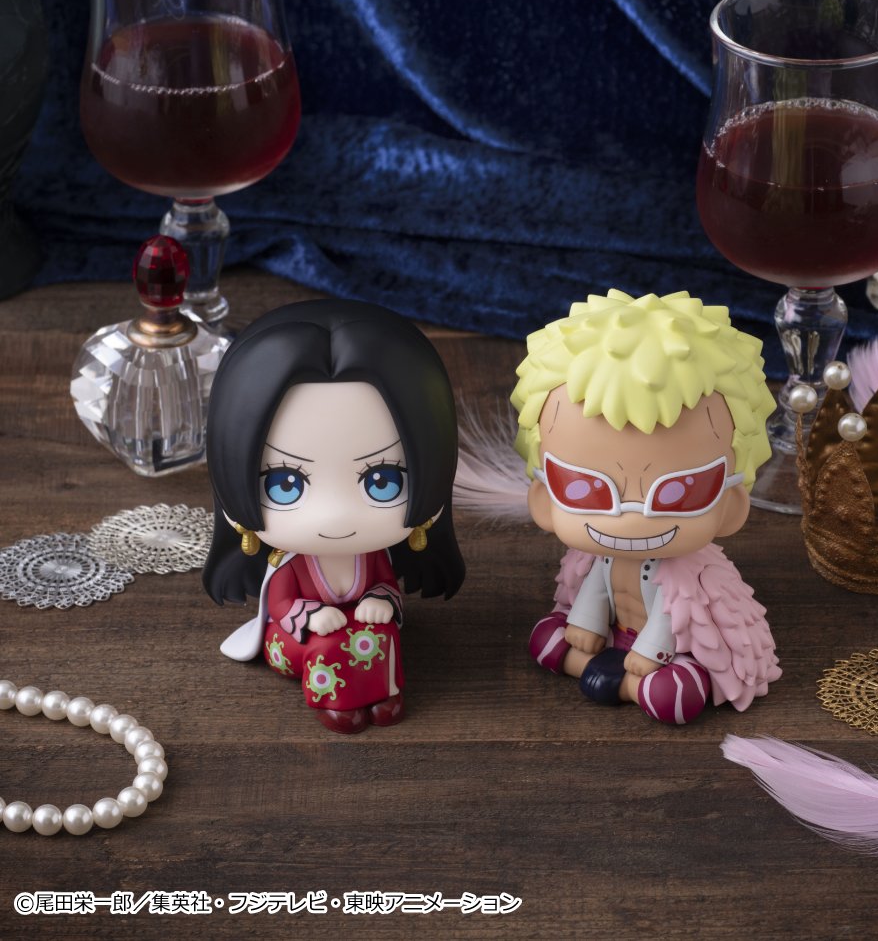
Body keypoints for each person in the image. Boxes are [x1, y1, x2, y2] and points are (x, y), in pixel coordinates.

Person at [512, 288, 780, 724]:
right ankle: (620, 679)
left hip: (664, 653)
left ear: (730, 506)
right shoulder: (594, 558)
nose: (633, 517)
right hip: (613, 638)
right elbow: (596, 591)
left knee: (677, 694)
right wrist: (584, 626)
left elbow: (673, 615)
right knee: (547, 637)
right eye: (585, 488)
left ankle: (635, 684)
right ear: (543, 500)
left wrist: (650, 652)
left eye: (680, 491)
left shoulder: (692, 580)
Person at [202, 299, 464, 734]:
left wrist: (381, 600)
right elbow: (282, 604)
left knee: (383, 635)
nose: (335, 514)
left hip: (360, 633)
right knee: (330, 643)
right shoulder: (290, 564)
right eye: (285, 483)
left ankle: (385, 695)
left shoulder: (371, 554)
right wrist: (309, 616)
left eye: (382, 480)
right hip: (296, 641)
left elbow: (385, 584)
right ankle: (339, 704)